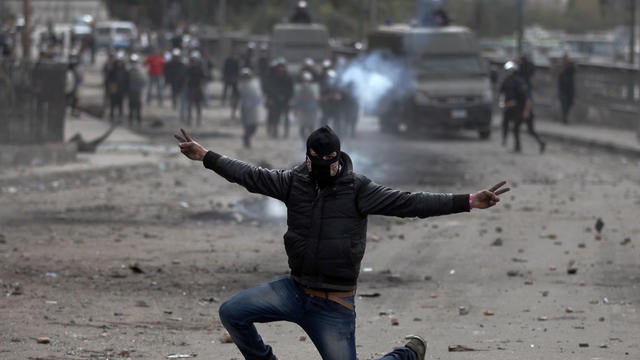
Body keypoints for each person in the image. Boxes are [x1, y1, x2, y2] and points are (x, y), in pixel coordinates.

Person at [175, 125, 510, 360]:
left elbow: (411, 203)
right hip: (294, 290)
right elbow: (249, 175)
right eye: (315, 163)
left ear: (338, 158)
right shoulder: (294, 182)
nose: (321, 170)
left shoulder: (358, 190)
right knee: (233, 313)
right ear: (308, 158)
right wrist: (206, 156)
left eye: (328, 164)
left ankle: (406, 355)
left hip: (333, 304)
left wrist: (467, 201)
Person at [499, 61, 545, 154]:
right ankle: (516, 146)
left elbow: (527, 99)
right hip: (516, 111)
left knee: (530, 130)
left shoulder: (519, 82)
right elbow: (502, 95)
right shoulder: (507, 81)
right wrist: (505, 104)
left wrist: (526, 111)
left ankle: (541, 143)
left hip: (524, 110)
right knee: (514, 127)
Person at [264, 59, 294, 138]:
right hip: (275, 99)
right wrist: (271, 97)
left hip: (286, 100)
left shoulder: (288, 77)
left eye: (282, 67)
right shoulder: (273, 77)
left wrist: (290, 99)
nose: (281, 69)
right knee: (275, 117)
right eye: (280, 67)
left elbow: (291, 89)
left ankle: (286, 133)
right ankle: (275, 131)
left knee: (286, 117)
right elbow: (270, 88)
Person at [237, 68, 262, 148]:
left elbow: (258, 95)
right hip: (245, 108)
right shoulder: (241, 86)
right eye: (244, 76)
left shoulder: (254, 84)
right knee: (247, 126)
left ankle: (247, 137)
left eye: (247, 76)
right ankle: (246, 139)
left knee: (254, 125)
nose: (246, 78)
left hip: (254, 108)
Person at [292, 71, 320, 143]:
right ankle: (304, 141)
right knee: (302, 127)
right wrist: (296, 109)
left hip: (311, 109)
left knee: (311, 127)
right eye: (305, 80)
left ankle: (310, 141)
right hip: (302, 109)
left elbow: (317, 99)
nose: (306, 82)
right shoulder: (298, 88)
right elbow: (297, 99)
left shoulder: (314, 87)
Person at [184, 52, 206, 126]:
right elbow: (186, 79)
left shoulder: (200, 69)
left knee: (198, 106)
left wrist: (202, 87)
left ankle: (198, 121)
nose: (194, 63)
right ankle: (189, 120)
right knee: (190, 105)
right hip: (191, 89)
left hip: (198, 89)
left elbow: (203, 79)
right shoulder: (189, 69)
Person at [127, 54, 147, 127]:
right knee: (131, 104)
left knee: (137, 105)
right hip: (131, 90)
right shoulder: (129, 70)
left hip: (138, 90)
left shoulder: (141, 70)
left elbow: (144, 80)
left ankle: (138, 119)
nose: (133, 63)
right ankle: (131, 118)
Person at [557, 53, 575, 125]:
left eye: (566, 58)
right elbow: (559, 76)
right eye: (564, 58)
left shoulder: (570, 66)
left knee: (569, 103)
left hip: (570, 89)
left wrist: (567, 66)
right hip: (563, 89)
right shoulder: (561, 66)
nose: (565, 60)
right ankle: (564, 118)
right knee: (564, 104)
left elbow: (573, 70)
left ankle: (565, 117)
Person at [221, 53, 241, 118]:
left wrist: (236, 77)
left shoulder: (236, 61)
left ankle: (233, 103)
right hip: (228, 77)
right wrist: (225, 76)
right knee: (226, 90)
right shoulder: (228, 61)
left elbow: (237, 70)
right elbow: (225, 69)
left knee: (234, 93)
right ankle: (224, 100)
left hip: (233, 78)